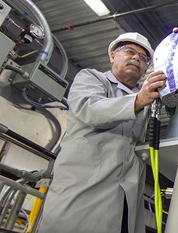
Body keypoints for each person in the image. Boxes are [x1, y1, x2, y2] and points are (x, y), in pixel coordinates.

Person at [38, 32, 167, 233]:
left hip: (125, 201)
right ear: (113, 56)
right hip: (82, 194)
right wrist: (138, 100)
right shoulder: (91, 78)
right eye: (130, 52)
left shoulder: (144, 99)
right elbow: (90, 110)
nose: (136, 58)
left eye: (143, 58)